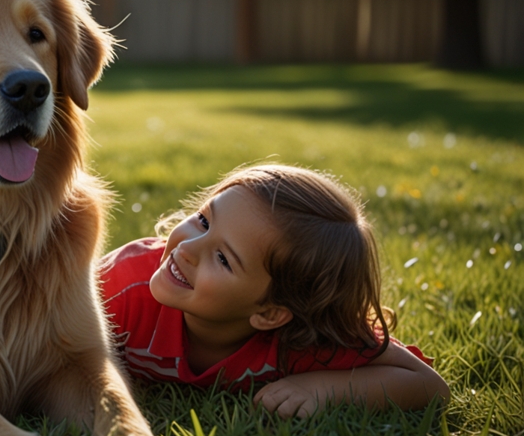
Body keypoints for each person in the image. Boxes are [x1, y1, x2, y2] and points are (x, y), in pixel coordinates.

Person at [100, 164, 449, 418]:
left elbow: (427, 384)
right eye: (204, 220)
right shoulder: (119, 288)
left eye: (223, 258)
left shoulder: (298, 341)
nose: (187, 247)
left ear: (270, 313)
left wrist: (321, 389)